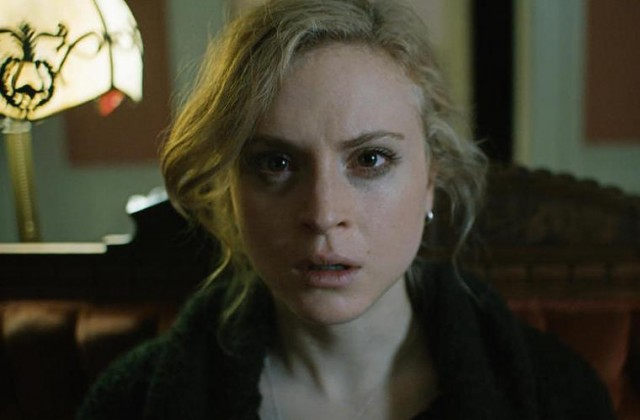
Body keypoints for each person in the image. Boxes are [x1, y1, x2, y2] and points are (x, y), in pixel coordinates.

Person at [79, 0, 615, 419]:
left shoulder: (556, 395)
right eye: (276, 163)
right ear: (230, 188)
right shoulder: (131, 404)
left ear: (431, 179)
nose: (322, 213)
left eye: (370, 159)